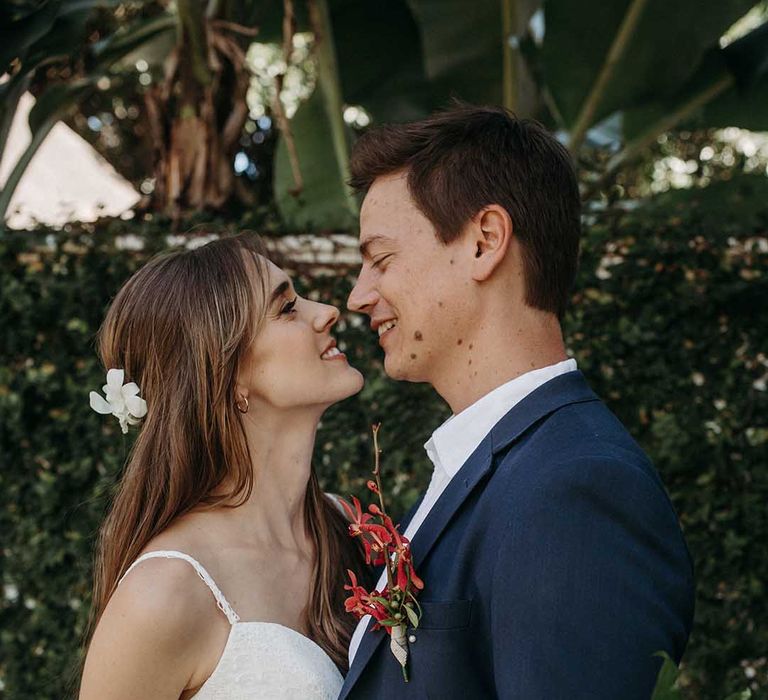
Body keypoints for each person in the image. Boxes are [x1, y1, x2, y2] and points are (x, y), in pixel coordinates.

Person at [341, 103, 695, 699]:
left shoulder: (577, 490)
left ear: (484, 242)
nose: (358, 296)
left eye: (381, 259)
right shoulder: (490, 470)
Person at [78, 235, 367, 700]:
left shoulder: (352, 527)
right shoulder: (164, 594)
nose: (327, 311)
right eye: (288, 307)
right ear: (226, 374)